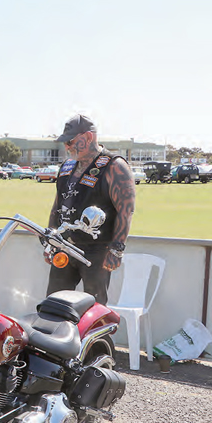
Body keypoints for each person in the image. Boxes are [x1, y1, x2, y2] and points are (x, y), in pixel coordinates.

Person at [46, 114, 136, 305]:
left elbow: (126, 210)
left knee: (94, 307)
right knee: (54, 303)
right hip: (65, 247)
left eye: (70, 142)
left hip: (97, 251)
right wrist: (50, 239)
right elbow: (58, 205)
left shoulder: (114, 166)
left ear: (88, 137)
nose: (67, 147)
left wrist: (117, 249)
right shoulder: (67, 166)